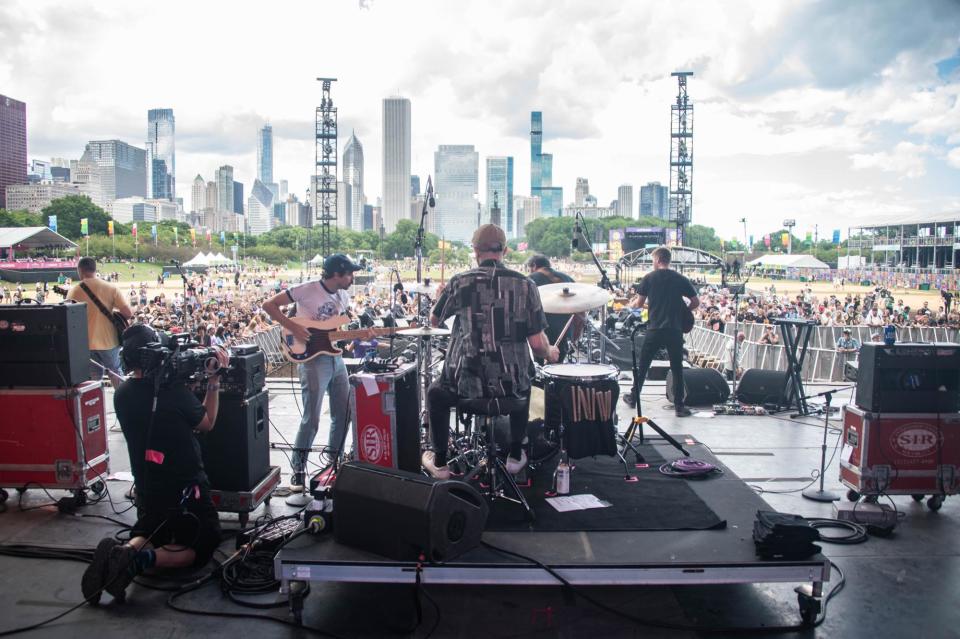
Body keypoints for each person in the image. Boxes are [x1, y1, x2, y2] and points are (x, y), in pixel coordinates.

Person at [81, 324, 229, 604]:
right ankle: (139, 561)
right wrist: (214, 383)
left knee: (150, 530)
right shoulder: (174, 394)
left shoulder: (122, 394)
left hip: (148, 486)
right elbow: (207, 423)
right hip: (185, 485)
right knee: (203, 544)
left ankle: (126, 549)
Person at [421, 225, 559, 480]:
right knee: (525, 378)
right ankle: (516, 455)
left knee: (435, 393)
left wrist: (443, 297)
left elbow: (434, 320)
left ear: (475, 251)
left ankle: (440, 463)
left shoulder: (460, 282)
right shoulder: (526, 285)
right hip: (511, 393)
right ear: (504, 250)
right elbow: (538, 345)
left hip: (465, 390)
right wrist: (551, 352)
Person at [262, 254, 365, 491]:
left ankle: (333, 463)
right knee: (312, 418)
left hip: (335, 358)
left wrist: (355, 335)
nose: (352, 278)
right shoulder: (307, 289)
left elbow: (334, 328)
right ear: (337, 274)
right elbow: (269, 305)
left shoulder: (344, 295)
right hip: (311, 360)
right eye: (349, 273)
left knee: (344, 413)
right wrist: (293, 326)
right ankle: (298, 469)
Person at [628, 247, 700, 416]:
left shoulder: (649, 278)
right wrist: (683, 311)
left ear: (658, 259)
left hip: (655, 328)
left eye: (653, 260)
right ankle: (679, 406)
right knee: (677, 367)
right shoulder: (680, 278)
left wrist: (651, 305)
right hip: (674, 330)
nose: (652, 263)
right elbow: (695, 302)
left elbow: (638, 304)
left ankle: (633, 397)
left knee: (643, 365)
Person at [67, 256, 134, 379]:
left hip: (86, 343)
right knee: (115, 373)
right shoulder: (111, 288)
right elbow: (128, 314)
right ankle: (122, 398)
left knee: (94, 378)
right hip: (109, 341)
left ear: (80, 270)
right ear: (94, 269)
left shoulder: (74, 291)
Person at [526, 254, 583, 361]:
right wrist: (575, 334)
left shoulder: (531, 279)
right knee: (559, 368)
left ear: (534, 266)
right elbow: (580, 310)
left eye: (529, 269)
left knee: (541, 368)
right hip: (565, 332)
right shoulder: (568, 279)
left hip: (542, 332)